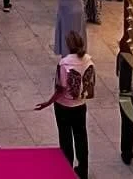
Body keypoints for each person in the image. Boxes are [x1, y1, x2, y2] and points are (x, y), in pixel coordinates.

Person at [37, 29, 94, 177]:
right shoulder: (88, 59)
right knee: (81, 137)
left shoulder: (65, 63)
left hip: (64, 106)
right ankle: (83, 170)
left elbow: (61, 88)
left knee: (66, 137)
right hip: (80, 105)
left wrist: (48, 102)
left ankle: (67, 170)